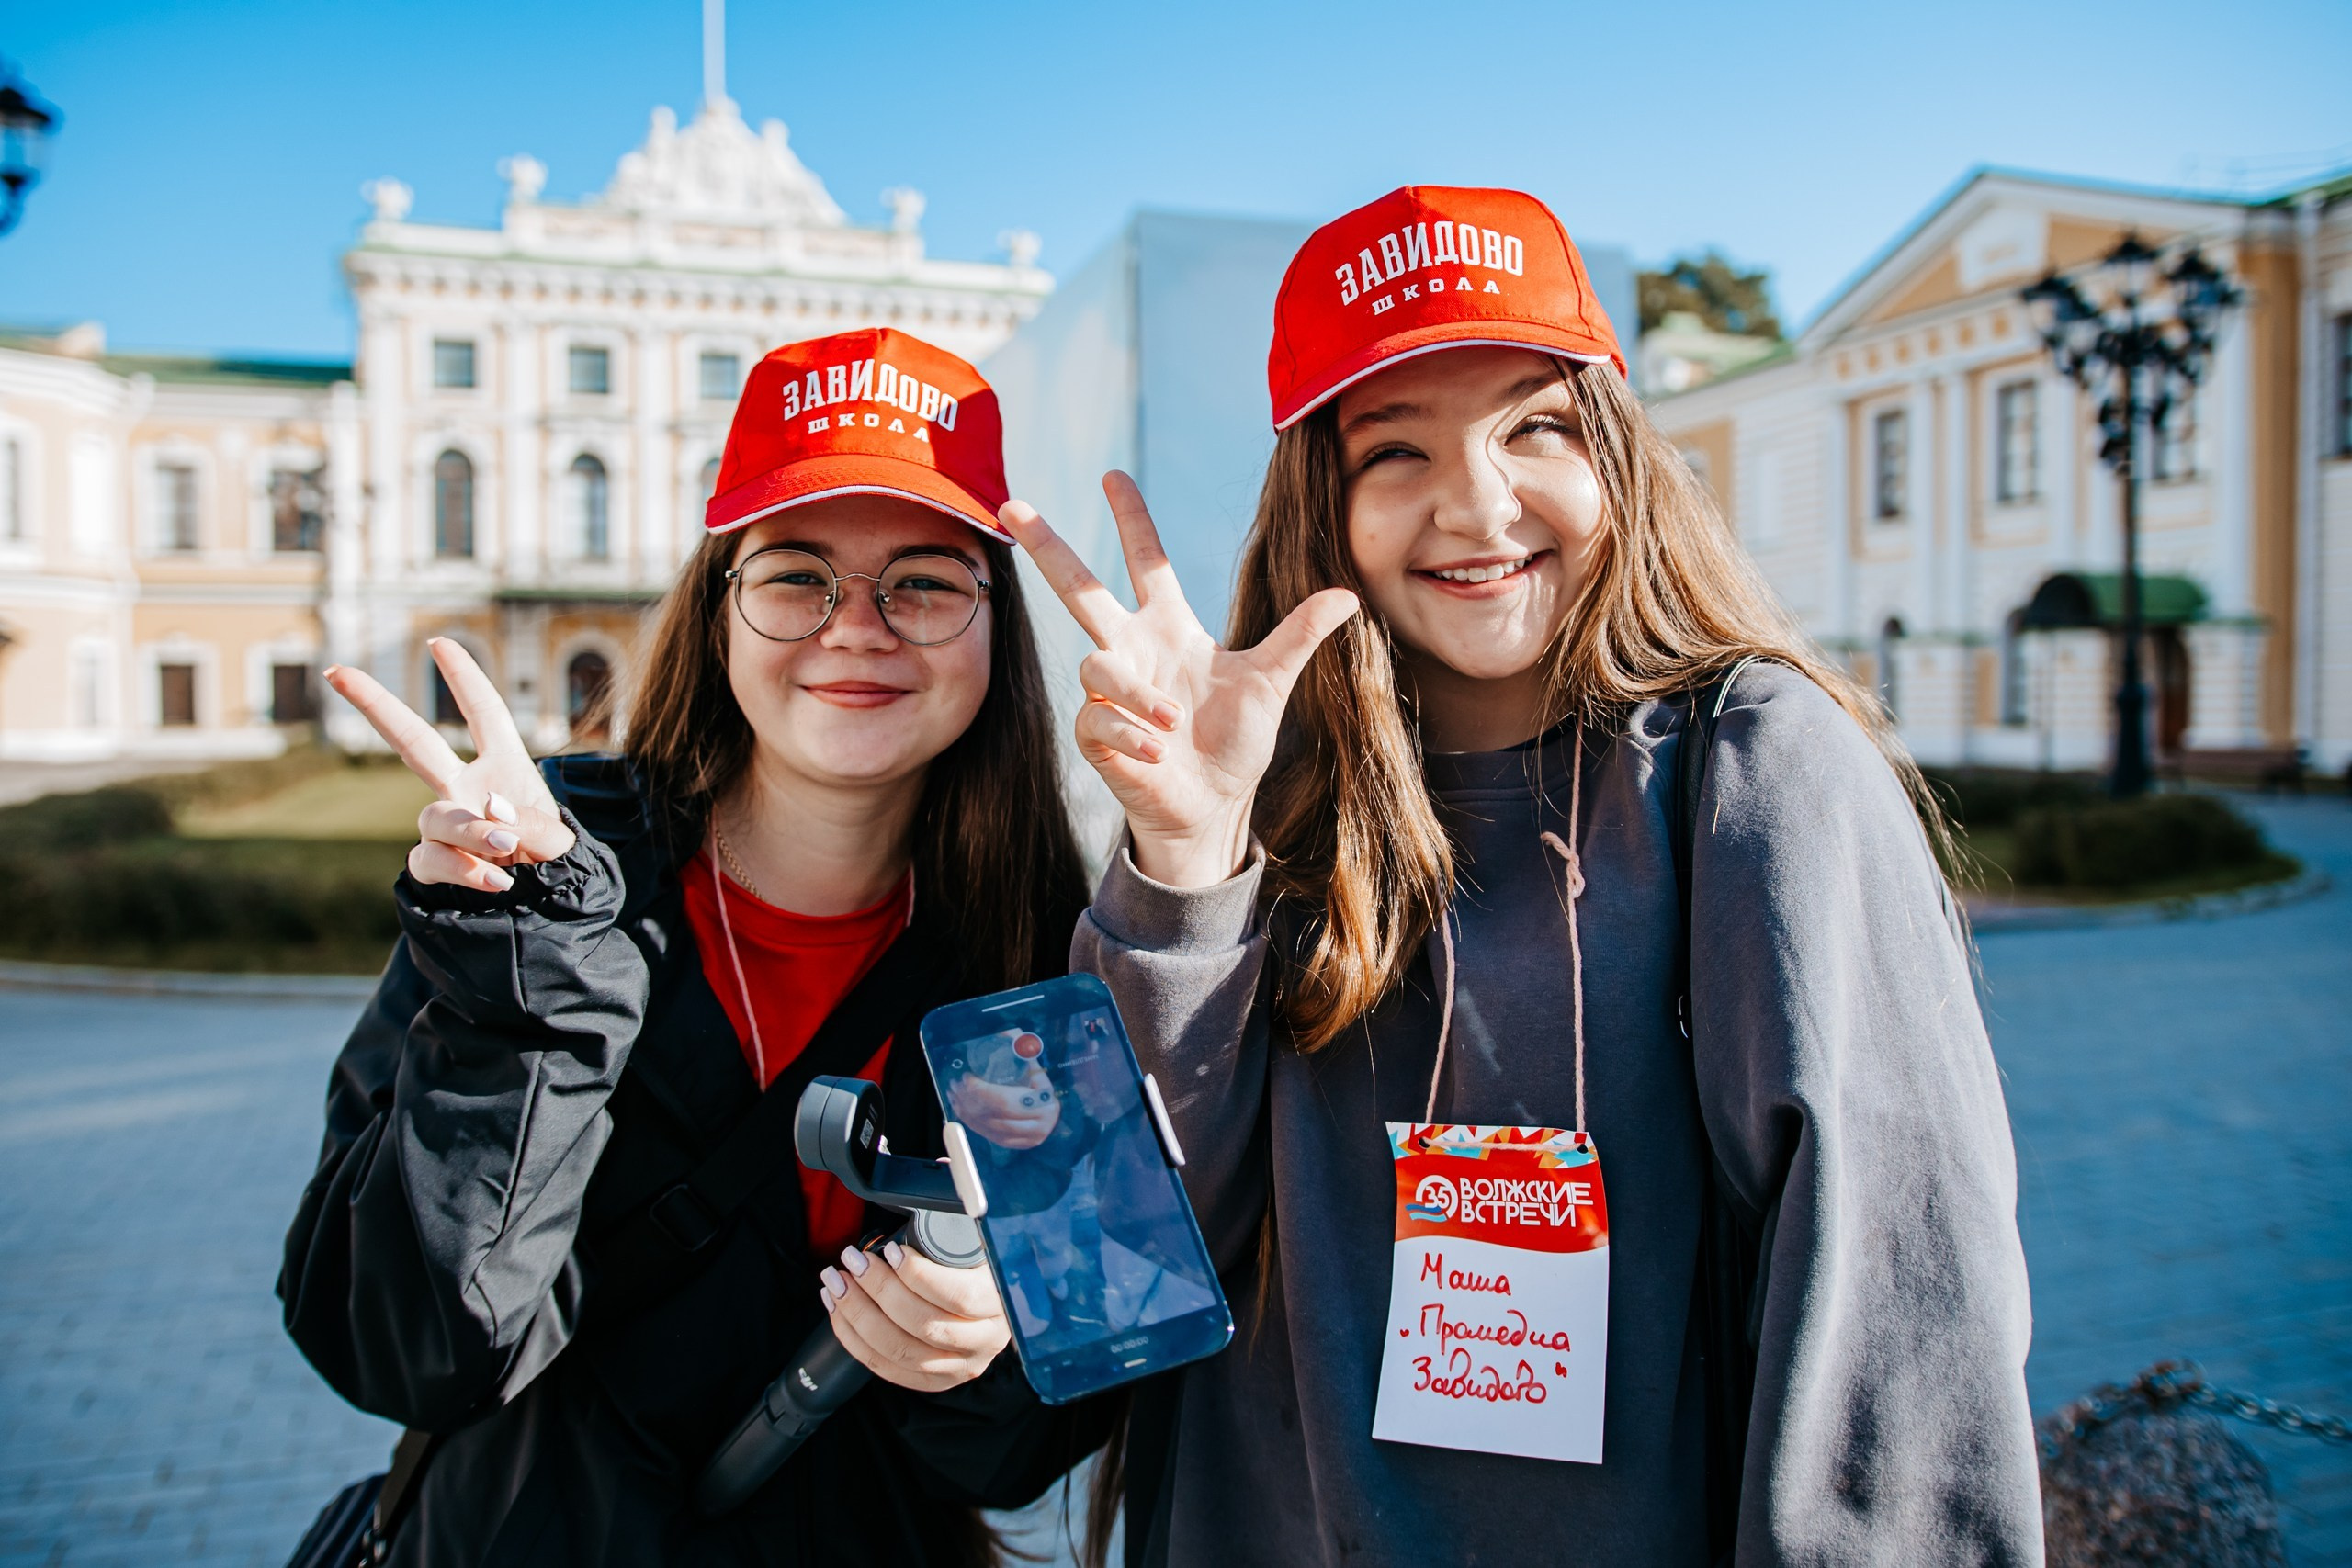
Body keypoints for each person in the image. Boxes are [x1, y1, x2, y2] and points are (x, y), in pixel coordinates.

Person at [1001, 187, 2041, 1566]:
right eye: (1396, 450)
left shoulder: (1750, 766)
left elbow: (1904, 1333)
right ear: (1327, 499)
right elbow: (1093, 1282)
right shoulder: (1260, 798)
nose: (1477, 502)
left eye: (1534, 427)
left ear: (1617, 452)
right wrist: (1187, 865)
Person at [279, 328, 1114, 1566]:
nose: (857, 628)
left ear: (996, 626)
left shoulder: (1039, 943)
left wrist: (986, 1347)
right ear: (719, 605)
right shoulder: (540, 882)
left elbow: (1030, 1437)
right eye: (795, 575)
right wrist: (524, 995)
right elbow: (401, 1351)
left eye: (925, 580)